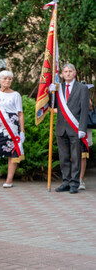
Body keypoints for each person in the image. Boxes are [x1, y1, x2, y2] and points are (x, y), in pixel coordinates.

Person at [49, 64, 89, 194]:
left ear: (75, 73)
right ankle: (65, 182)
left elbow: (84, 110)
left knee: (76, 157)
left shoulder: (82, 88)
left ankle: (74, 183)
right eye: (65, 71)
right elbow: (52, 105)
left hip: (75, 127)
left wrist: (82, 128)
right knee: (63, 157)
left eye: (70, 71)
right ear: (61, 74)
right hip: (61, 128)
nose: (68, 73)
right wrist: (51, 93)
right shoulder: (58, 88)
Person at [79, 95, 93, 190]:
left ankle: (80, 180)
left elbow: (91, 107)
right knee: (71, 155)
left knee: (83, 155)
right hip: (70, 126)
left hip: (84, 128)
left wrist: (85, 93)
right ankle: (72, 178)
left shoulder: (84, 94)